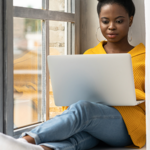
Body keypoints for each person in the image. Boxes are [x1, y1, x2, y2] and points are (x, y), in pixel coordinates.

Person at [0, 0, 146, 150]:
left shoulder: (145, 57)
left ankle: (25, 141)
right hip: (94, 122)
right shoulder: (90, 55)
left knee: (84, 109)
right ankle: (37, 149)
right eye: (105, 21)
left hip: (128, 126)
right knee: (78, 138)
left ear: (130, 20)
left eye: (119, 21)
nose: (111, 26)